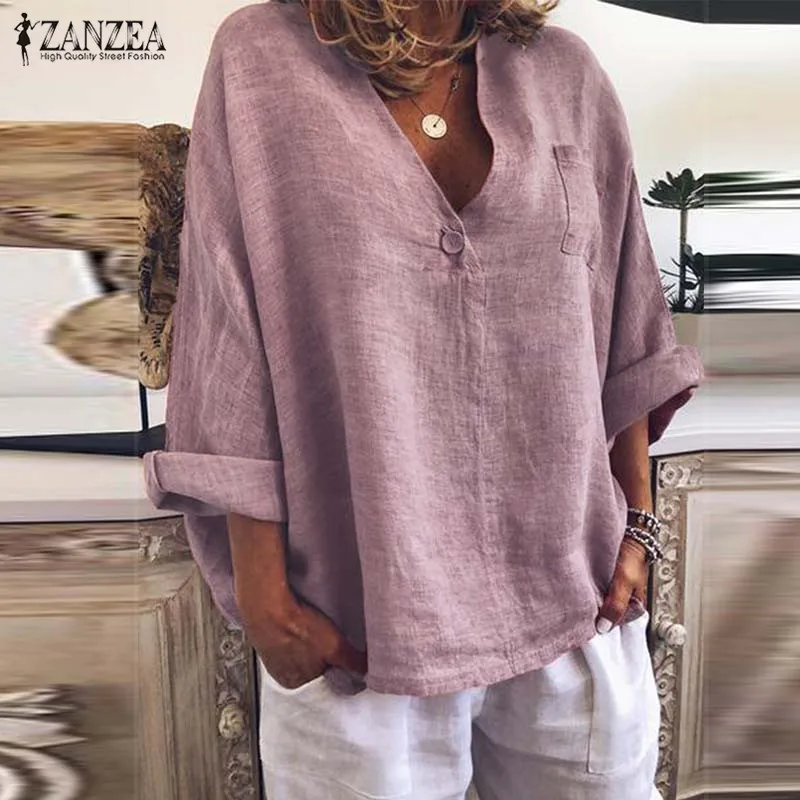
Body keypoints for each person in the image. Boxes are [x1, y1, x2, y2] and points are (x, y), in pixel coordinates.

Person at [142, 0, 705, 797]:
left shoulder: (566, 73)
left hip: (574, 600)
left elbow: (623, 322)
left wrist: (638, 527)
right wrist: (266, 599)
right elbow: (227, 327)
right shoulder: (261, 60)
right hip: (359, 616)